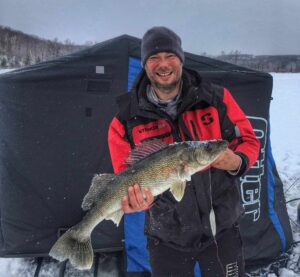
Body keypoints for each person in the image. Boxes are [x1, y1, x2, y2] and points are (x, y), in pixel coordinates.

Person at [108, 26, 260, 277]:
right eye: (154, 58)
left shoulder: (216, 98)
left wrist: (238, 161)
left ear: (181, 59)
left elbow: (249, 141)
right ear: (145, 65)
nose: (163, 64)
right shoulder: (124, 120)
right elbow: (125, 175)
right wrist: (136, 200)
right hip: (166, 237)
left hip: (221, 229)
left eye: (170, 56)